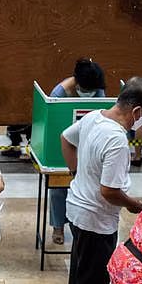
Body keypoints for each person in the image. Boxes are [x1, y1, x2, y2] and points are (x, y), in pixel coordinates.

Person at [61, 77, 142, 284]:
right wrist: (133, 205)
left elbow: (65, 139)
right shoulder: (117, 140)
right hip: (96, 216)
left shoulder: (93, 117)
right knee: (96, 274)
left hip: (77, 206)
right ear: (136, 111)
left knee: (81, 263)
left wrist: (76, 173)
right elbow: (109, 191)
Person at [48, 58, 107, 245]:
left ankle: (82, 224)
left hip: (89, 148)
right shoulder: (58, 94)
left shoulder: (98, 90)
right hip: (63, 146)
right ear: (77, 82)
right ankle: (58, 226)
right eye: (86, 90)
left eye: (93, 91)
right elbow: (53, 127)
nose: (90, 93)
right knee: (58, 189)